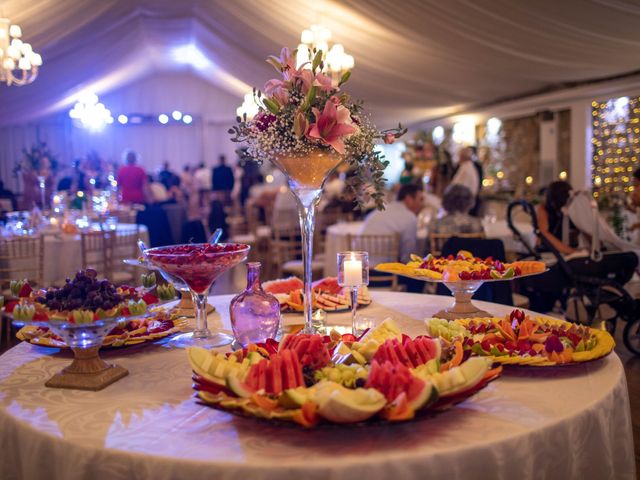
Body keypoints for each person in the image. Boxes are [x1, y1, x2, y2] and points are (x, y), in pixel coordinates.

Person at [360, 183, 425, 263]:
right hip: (385, 270)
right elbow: (408, 256)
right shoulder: (409, 217)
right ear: (409, 199)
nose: (422, 204)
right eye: (421, 200)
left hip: (362, 266)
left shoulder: (380, 210)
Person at [535, 180, 578, 254]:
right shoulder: (543, 209)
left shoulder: (571, 208)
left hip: (569, 249)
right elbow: (544, 234)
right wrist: (571, 251)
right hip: (548, 251)